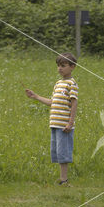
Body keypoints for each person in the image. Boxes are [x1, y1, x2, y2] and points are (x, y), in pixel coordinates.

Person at [25, 52, 79, 186]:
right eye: (58, 66)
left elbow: (74, 104)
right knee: (57, 152)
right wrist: (35, 96)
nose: (60, 68)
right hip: (55, 124)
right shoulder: (58, 83)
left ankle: (64, 180)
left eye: (63, 65)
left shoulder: (72, 84)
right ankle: (62, 179)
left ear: (72, 67)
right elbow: (52, 102)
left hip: (64, 125)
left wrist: (70, 122)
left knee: (64, 152)